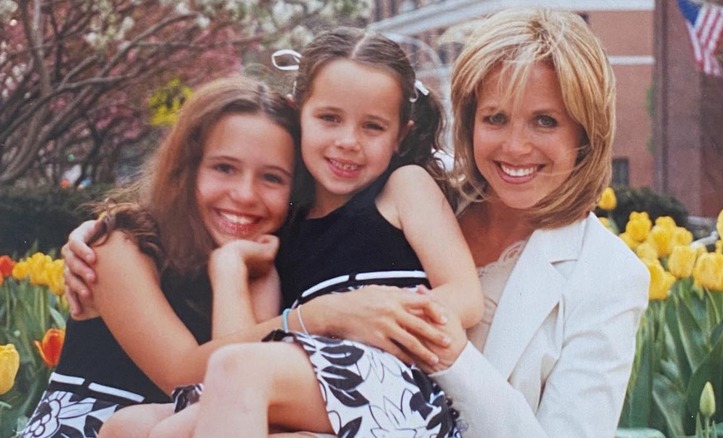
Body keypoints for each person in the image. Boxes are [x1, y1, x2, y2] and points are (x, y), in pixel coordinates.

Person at [65, 8, 650, 437]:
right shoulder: (429, 199)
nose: (516, 145)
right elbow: (243, 303)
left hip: (398, 401)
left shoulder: (606, 275)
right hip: (321, 398)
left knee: (231, 379)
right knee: (128, 429)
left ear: (585, 133)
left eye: (545, 121)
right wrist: (107, 238)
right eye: (495, 117)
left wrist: (415, 338)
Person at [67, 27, 482, 437]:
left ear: (400, 135)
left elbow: (465, 298)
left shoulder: (404, 187)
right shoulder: (285, 228)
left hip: (399, 381)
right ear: (297, 114)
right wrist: (230, 265)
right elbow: (236, 348)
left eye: (372, 127)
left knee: (229, 379)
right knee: (130, 426)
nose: (347, 141)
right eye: (329, 118)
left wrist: (386, 316)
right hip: (310, 384)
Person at [19, 76, 300, 437]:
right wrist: (307, 318)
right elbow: (188, 379)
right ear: (186, 168)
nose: (245, 194)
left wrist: (236, 268)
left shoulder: (264, 262)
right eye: (224, 168)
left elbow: (249, 390)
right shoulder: (121, 245)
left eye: (272, 178)